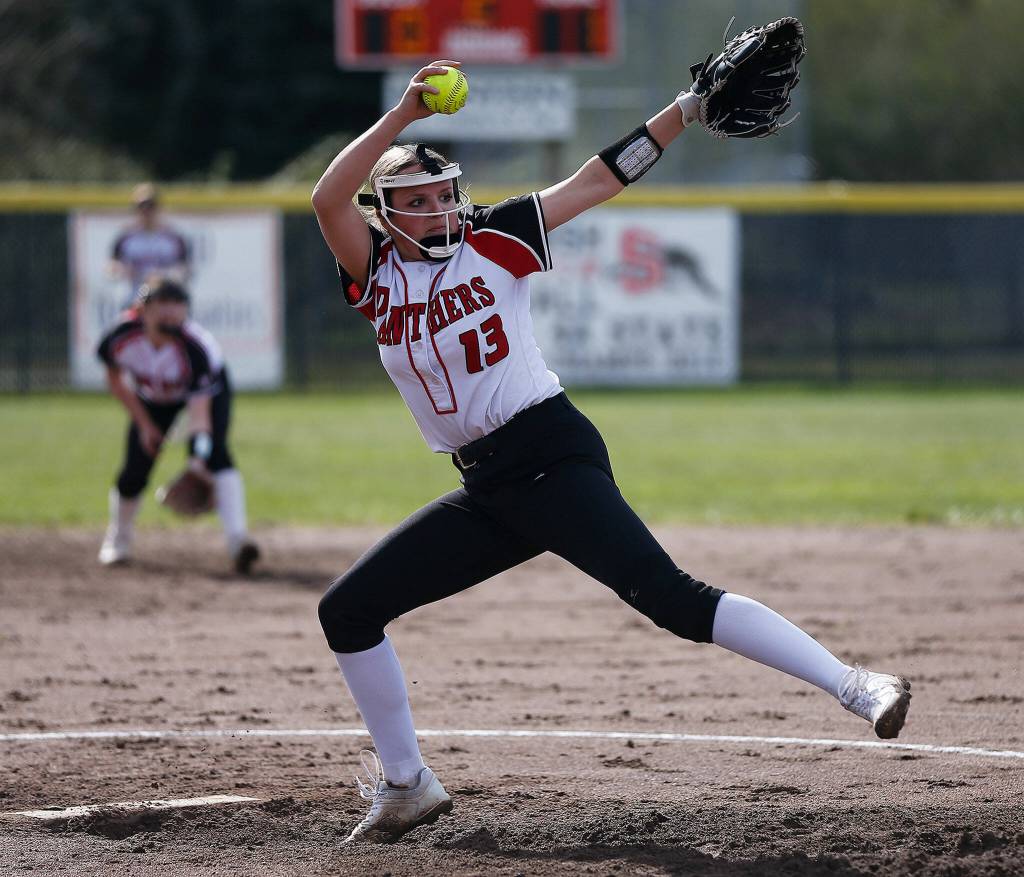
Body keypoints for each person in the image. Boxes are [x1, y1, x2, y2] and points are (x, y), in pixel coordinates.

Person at [311, 59, 912, 844]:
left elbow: (598, 179)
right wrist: (400, 119)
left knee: (671, 597)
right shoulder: (375, 274)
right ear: (386, 216)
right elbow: (327, 197)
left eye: (440, 195)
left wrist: (684, 110)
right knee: (348, 610)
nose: (434, 211)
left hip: (549, 451)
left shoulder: (492, 237)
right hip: (489, 485)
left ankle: (856, 684)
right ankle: (407, 785)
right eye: (414, 204)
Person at [96, 277, 260, 574]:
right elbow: (115, 379)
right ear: (142, 310)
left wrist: (197, 461)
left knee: (216, 454)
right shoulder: (120, 336)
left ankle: (239, 542)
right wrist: (145, 425)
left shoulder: (197, 350)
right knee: (136, 465)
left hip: (208, 391)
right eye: (162, 305)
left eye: (178, 306)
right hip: (153, 398)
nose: (171, 313)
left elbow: (199, 417)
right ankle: (117, 540)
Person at [109, 183, 191, 308]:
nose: (146, 211)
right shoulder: (125, 238)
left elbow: (185, 269)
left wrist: (165, 277)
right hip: (134, 300)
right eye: (142, 206)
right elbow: (112, 267)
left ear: (159, 207)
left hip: (165, 302)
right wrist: (122, 270)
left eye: (150, 206)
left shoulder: (174, 238)